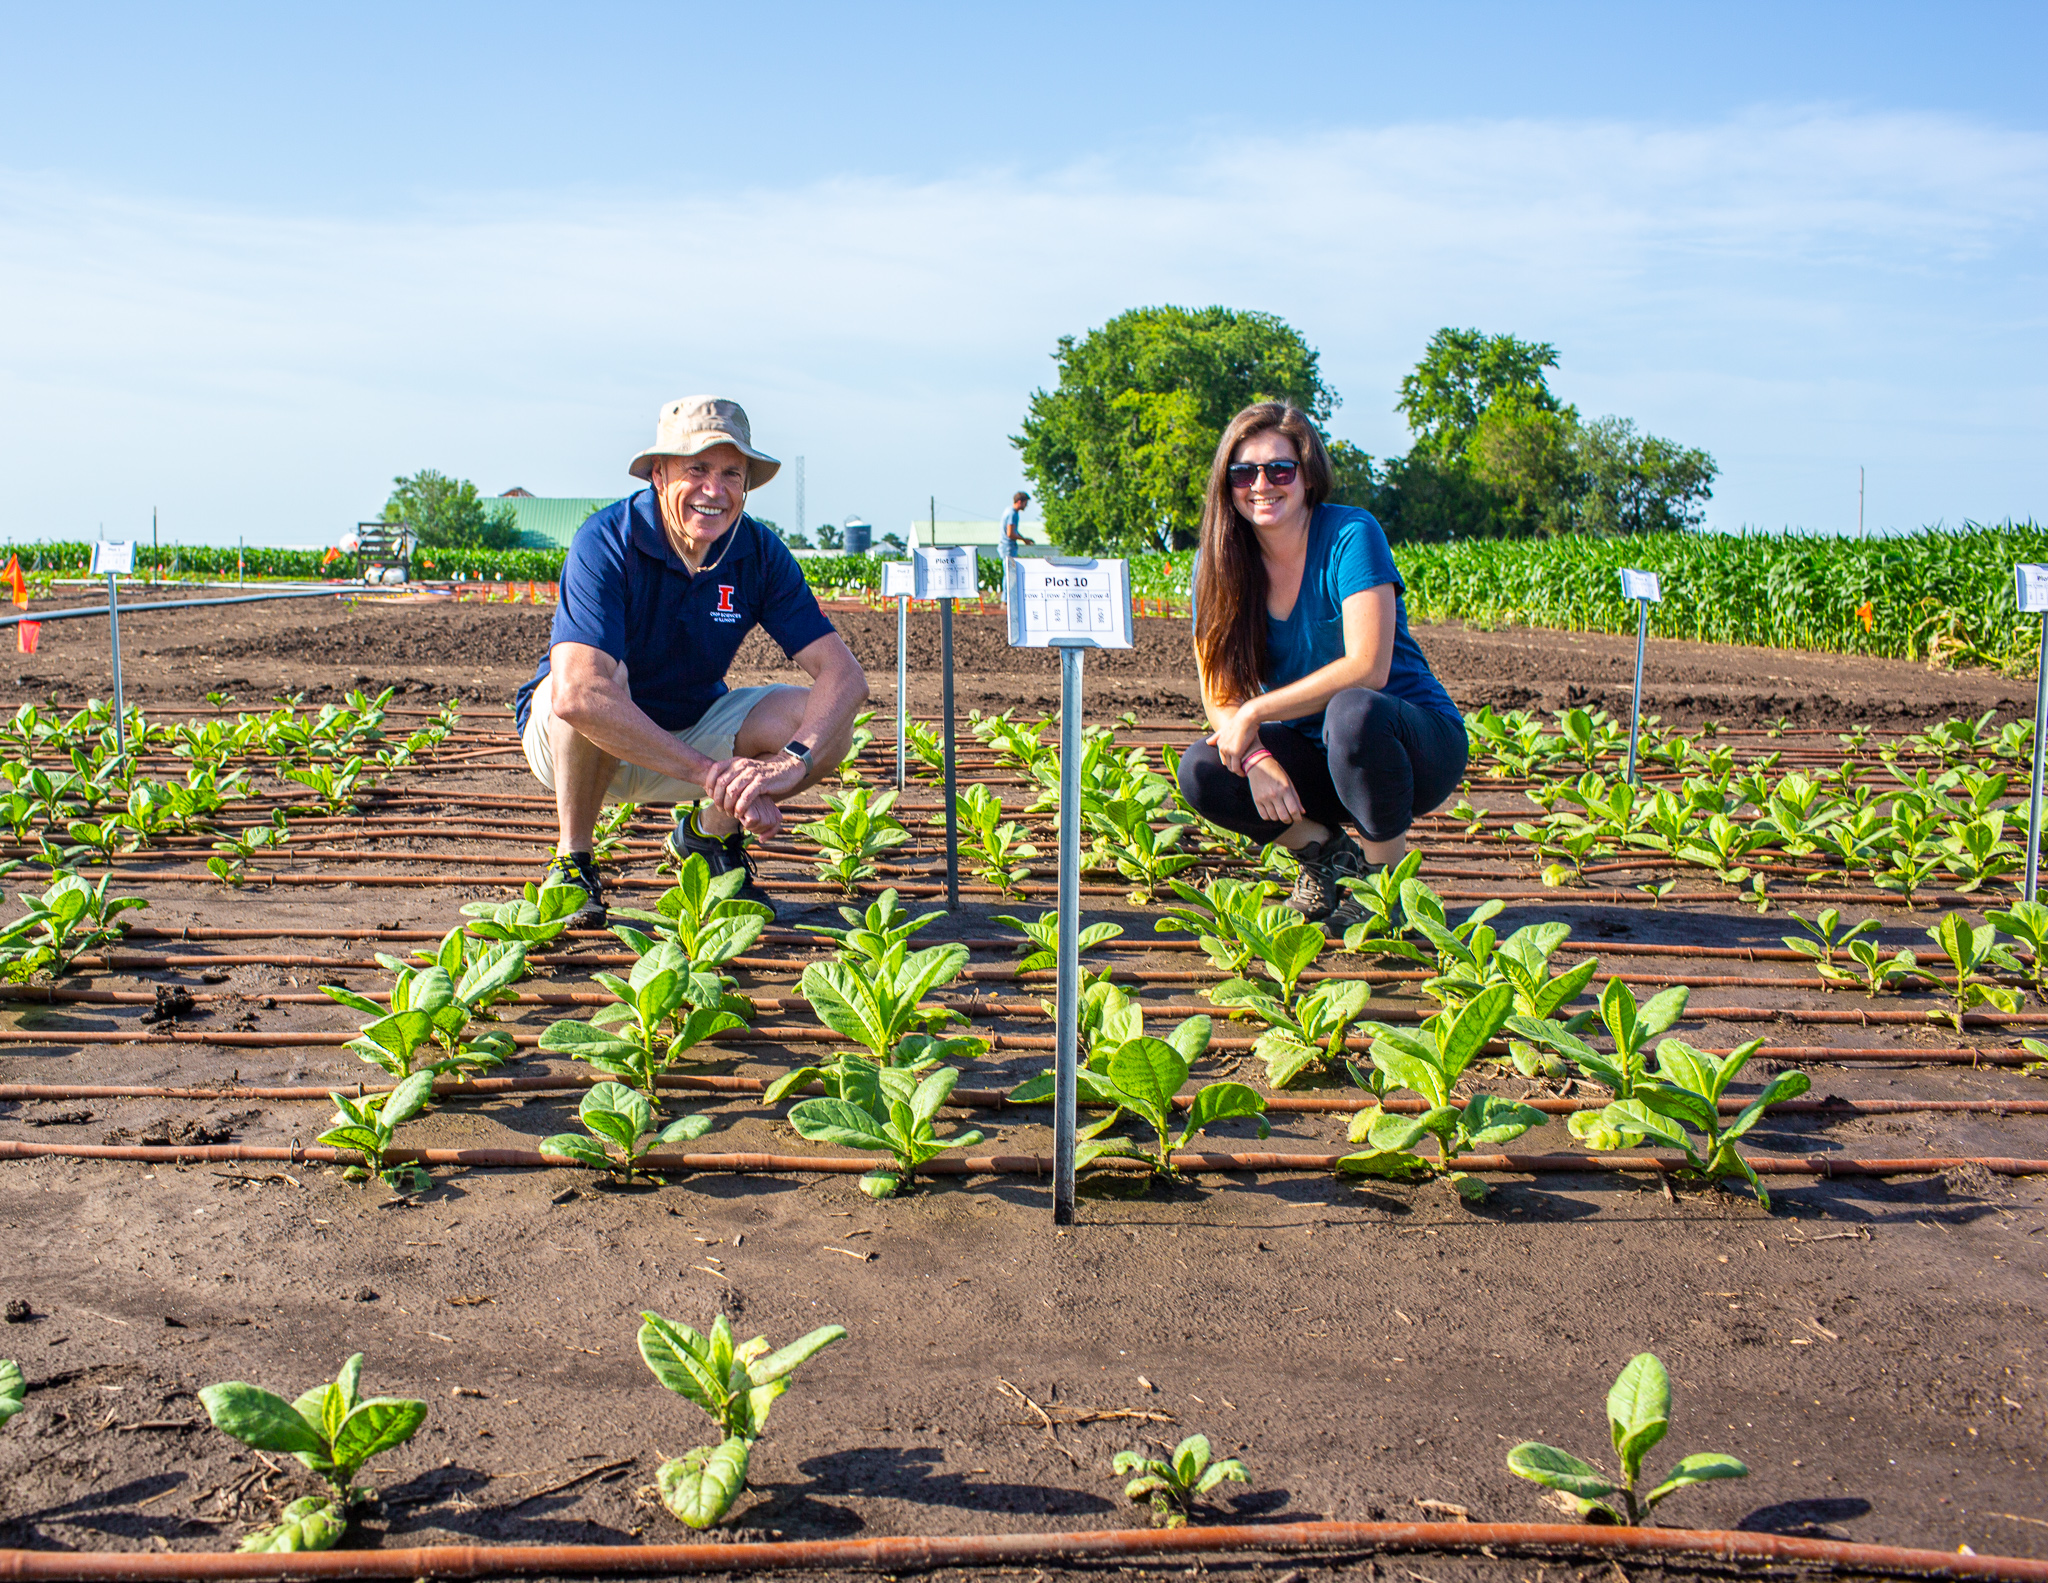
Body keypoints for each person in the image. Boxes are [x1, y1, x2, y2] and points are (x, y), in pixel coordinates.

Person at [515, 396, 869, 925]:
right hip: (577, 746)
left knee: (828, 724)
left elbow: (845, 675)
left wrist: (790, 762)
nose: (715, 490)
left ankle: (706, 838)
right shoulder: (608, 540)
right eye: (696, 469)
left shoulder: (758, 552)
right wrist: (713, 775)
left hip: (689, 725)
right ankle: (574, 862)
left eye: (732, 473)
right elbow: (577, 695)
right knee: (595, 683)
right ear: (658, 474)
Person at [1176, 401, 1467, 923]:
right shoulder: (1216, 563)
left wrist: (1254, 714)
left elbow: (1368, 667)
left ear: (1307, 475)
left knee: (1353, 711)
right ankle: (1326, 855)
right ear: (1227, 483)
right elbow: (1219, 691)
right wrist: (1257, 759)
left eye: (1278, 469)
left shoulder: (1351, 535)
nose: (1261, 484)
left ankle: (1383, 891)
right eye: (1244, 471)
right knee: (1203, 769)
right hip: (1317, 755)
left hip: (1407, 746)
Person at [999, 491, 1033, 558]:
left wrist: (1024, 539)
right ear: (1019, 502)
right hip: (1008, 548)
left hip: (1007, 547)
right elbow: (1010, 534)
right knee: (1010, 568)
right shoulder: (1012, 513)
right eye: (1025, 503)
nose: (1026, 506)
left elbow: (1014, 531)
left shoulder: (1009, 510)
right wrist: (1024, 539)